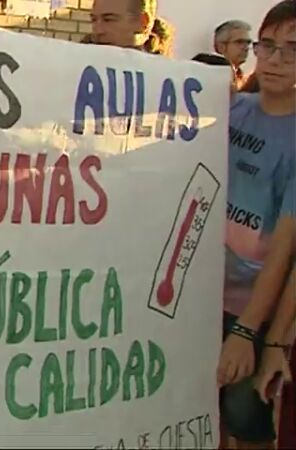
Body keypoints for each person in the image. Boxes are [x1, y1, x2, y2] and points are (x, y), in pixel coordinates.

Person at [214, 1, 296, 448]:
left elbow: (285, 247)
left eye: (293, 49)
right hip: (200, 298)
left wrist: (249, 332)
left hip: (256, 310)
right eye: (267, 45)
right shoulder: (234, 109)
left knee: (246, 417)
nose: (276, 59)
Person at [89, 0, 175, 56]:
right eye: (93, 20)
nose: (98, 31)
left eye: (108, 20)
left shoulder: (166, 75)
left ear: (144, 22)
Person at [214, 20, 253, 90]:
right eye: (239, 42)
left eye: (248, 43)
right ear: (221, 47)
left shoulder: (246, 81)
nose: (246, 48)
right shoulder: (209, 77)